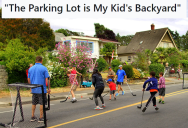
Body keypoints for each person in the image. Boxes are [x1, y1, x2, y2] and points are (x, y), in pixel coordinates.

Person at [28, 56, 50, 122]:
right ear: (41, 61)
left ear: (35, 60)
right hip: (41, 89)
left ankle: (32, 116)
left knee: (34, 102)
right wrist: (48, 88)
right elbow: (47, 79)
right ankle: (41, 117)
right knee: (42, 103)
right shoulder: (44, 68)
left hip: (34, 88)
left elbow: (28, 79)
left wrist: (30, 87)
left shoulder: (31, 69)